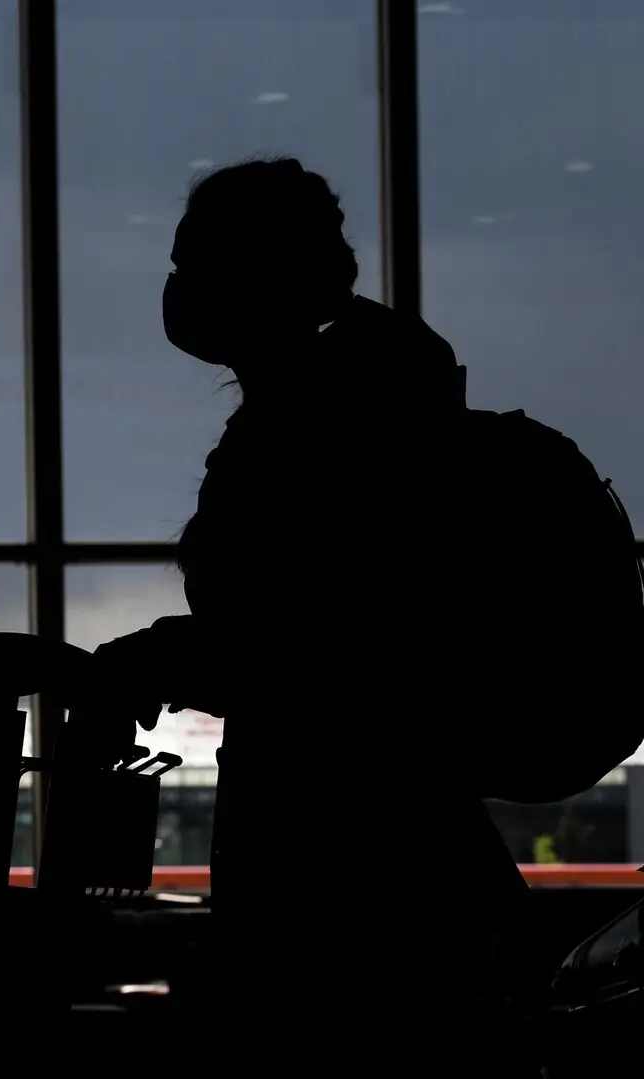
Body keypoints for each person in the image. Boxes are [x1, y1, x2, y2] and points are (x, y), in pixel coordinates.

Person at [86, 157, 534, 1071]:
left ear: (257, 274)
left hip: (352, 868)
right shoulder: (344, 400)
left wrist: (158, 657)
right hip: (395, 847)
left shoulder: (331, 422)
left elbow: (317, 641)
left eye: (194, 264)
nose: (178, 290)